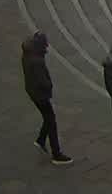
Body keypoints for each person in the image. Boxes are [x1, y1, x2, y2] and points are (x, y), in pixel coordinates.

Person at [22, 31, 71, 164]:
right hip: (39, 94)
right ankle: (56, 154)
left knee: (48, 117)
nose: (47, 47)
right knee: (51, 120)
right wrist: (48, 86)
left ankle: (41, 140)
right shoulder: (36, 61)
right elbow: (42, 80)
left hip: (32, 91)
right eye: (45, 45)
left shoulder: (28, 54)